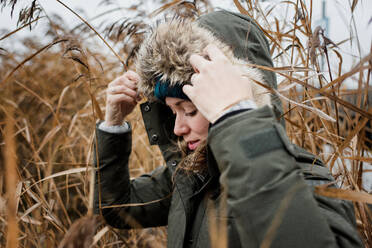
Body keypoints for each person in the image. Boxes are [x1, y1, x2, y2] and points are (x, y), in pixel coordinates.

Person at [93, 10, 363, 247]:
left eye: (190, 110)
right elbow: (117, 208)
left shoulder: (304, 178)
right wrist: (113, 124)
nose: (177, 128)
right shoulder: (190, 177)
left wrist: (237, 117)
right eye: (172, 111)